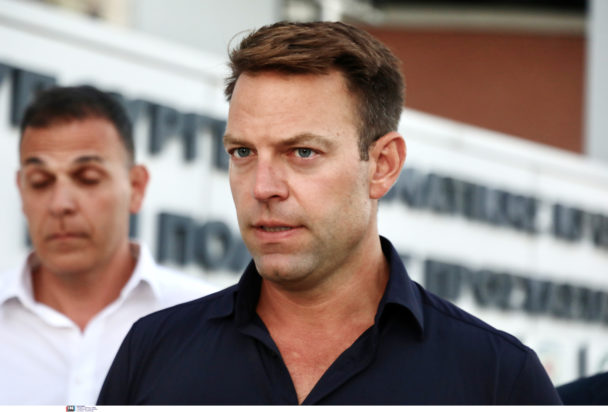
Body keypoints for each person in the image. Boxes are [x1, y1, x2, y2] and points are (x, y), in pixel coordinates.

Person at [97, 21, 561, 405]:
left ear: (382, 165)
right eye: (243, 152)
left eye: (302, 152)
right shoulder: (153, 350)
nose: (262, 187)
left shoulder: (497, 378)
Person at [0, 85, 217, 405]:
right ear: (21, 190)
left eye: (87, 178)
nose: (60, 204)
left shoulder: (207, 322)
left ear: (136, 187)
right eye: (40, 182)